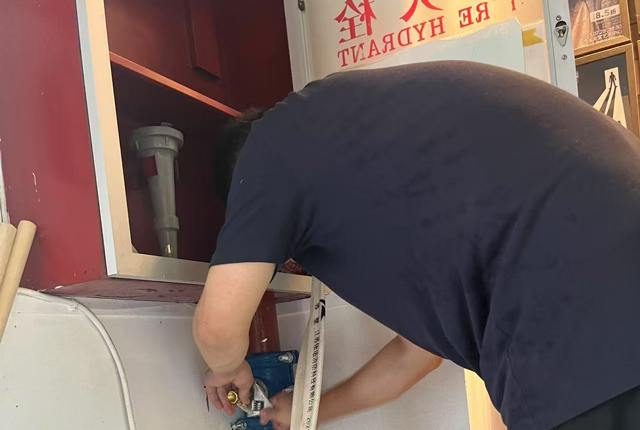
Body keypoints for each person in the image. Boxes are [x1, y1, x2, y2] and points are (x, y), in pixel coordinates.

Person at [193, 61, 640, 430]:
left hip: (577, 325)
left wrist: (227, 369)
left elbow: (217, 329)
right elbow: (414, 357)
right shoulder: (362, 144)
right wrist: (309, 411)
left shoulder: (269, 147)